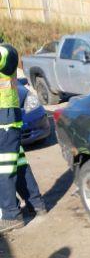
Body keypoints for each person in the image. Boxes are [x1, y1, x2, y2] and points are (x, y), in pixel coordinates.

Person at [0, 44, 46, 233]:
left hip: (4, 122)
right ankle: (36, 204)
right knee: (18, 166)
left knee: (4, 169)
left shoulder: (5, 51)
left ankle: (11, 215)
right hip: (7, 122)